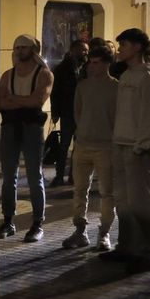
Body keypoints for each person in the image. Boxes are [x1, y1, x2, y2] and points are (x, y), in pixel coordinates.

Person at [103, 28, 150, 274]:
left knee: (140, 200)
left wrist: (143, 145)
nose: (120, 48)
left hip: (136, 147)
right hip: (120, 144)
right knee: (123, 200)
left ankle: (144, 251)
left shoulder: (148, 78)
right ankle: (126, 246)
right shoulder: (127, 76)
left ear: (138, 48)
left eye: (125, 44)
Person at [65, 42, 118, 250]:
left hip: (106, 146)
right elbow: (78, 112)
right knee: (79, 190)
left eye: (96, 63)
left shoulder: (116, 87)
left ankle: (104, 233)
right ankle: (80, 230)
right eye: (90, 63)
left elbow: (118, 116)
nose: (91, 67)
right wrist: (82, 133)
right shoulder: (83, 86)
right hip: (83, 145)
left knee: (107, 192)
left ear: (106, 64)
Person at [0, 35, 52, 241]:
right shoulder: (7, 75)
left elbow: (37, 100)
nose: (19, 51)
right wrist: (24, 102)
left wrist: (13, 100)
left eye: (23, 47)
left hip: (31, 129)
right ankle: (8, 220)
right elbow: (0, 103)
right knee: (8, 176)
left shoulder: (43, 74)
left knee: (34, 176)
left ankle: (38, 223)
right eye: (16, 47)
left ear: (33, 50)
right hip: (10, 128)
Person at [49, 39, 88, 188]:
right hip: (67, 112)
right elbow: (55, 92)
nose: (85, 52)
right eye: (83, 49)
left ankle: (73, 176)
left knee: (79, 148)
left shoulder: (88, 68)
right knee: (64, 146)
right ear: (73, 50)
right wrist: (55, 112)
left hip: (83, 113)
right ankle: (59, 175)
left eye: (86, 50)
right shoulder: (62, 69)